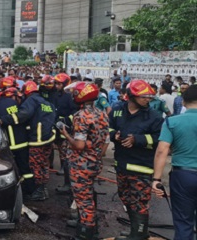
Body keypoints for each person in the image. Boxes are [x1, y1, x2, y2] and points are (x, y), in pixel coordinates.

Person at [108, 80, 163, 239]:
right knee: (125, 198)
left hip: (141, 168)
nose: (147, 99)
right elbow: (109, 127)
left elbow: (160, 139)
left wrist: (137, 140)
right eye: (143, 96)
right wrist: (114, 135)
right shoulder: (117, 110)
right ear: (131, 96)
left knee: (139, 202)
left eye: (149, 97)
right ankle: (138, 230)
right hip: (122, 165)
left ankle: (138, 235)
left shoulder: (154, 116)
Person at [59, 82, 109, 240]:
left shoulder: (81, 116)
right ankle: (89, 226)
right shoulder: (102, 113)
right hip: (95, 163)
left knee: (83, 199)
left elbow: (79, 145)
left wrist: (66, 134)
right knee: (88, 195)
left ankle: (85, 234)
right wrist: (95, 156)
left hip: (81, 165)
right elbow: (106, 141)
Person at [152, 84, 197, 240]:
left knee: (184, 222)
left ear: (183, 102)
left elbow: (162, 150)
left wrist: (156, 179)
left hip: (183, 175)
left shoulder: (172, 122)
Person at [0, 80, 57, 201]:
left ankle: (38, 191)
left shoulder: (32, 100)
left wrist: (5, 119)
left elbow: (23, 115)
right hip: (48, 139)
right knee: (44, 164)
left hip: (37, 140)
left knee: (34, 165)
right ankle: (43, 188)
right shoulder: (46, 103)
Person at [0, 82, 34, 196]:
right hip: (22, 141)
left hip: (6, 146)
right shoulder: (14, 102)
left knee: (7, 169)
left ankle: (10, 192)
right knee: (25, 168)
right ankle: (30, 191)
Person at [52, 73, 76, 193]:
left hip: (65, 127)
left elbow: (75, 113)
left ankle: (64, 170)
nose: (57, 86)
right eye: (56, 83)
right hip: (56, 125)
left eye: (59, 84)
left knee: (64, 151)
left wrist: (65, 120)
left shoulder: (69, 97)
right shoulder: (56, 95)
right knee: (56, 146)